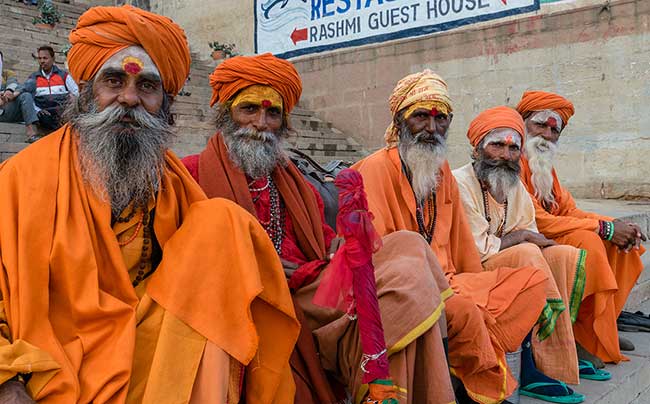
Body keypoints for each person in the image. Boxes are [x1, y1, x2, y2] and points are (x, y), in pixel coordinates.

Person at [0, 6, 299, 403]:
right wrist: (7, 378)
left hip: (155, 355)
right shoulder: (21, 178)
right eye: (113, 81)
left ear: (166, 102)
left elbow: (204, 286)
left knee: (222, 222)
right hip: (55, 363)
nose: (128, 98)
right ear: (87, 93)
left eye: (147, 86)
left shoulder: (173, 184)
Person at [182, 53, 456, 404]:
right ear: (225, 115)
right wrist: (254, 264)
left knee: (409, 247)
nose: (261, 123)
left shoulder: (295, 183)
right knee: (405, 296)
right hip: (243, 296)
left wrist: (338, 248)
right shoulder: (189, 175)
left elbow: (324, 244)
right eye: (249, 110)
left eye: (272, 113)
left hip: (311, 287)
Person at [352, 70, 556, 403]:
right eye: (421, 116)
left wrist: (480, 287)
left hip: (449, 280)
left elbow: (462, 244)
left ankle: (468, 369)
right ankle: (478, 386)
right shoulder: (376, 169)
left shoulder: (440, 170)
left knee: (530, 285)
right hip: (402, 286)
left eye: (440, 119)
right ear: (400, 121)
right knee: (465, 310)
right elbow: (381, 254)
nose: (432, 128)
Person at [454, 106, 604, 401]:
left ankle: (557, 356)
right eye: (497, 145)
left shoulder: (513, 183)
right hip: (471, 268)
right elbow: (478, 247)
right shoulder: (460, 182)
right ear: (477, 148)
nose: (506, 154)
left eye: (513, 148)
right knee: (527, 253)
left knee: (563, 255)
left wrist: (532, 238)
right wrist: (523, 237)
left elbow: (528, 226)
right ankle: (530, 365)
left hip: (506, 259)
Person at [516, 90, 646, 365]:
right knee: (590, 243)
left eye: (555, 130)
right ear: (523, 123)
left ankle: (602, 328)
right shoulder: (512, 161)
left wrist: (613, 224)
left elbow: (568, 210)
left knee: (623, 248)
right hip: (525, 240)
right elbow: (540, 220)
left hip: (548, 236)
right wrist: (603, 229)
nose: (548, 135)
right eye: (541, 126)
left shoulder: (544, 166)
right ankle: (580, 337)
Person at [20, 45, 79, 141]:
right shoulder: (33, 78)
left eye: (45, 58)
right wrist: (38, 110)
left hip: (62, 112)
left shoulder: (64, 76)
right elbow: (28, 98)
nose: (42, 61)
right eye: (40, 58)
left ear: (53, 59)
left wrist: (72, 101)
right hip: (45, 115)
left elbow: (77, 93)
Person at [0, 50, 38, 138]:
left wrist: (9, 92)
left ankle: (30, 131)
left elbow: (13, 82)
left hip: (8, 107)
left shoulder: (6, 74)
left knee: (28, 89)